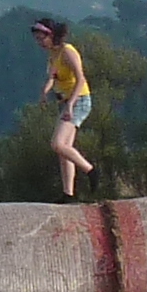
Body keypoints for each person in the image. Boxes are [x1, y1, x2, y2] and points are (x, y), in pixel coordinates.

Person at [31, 18, 97, 200]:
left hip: (79, 100)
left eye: (41, 38)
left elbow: (81, 79)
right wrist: (45, 91)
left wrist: (70, 104)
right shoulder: (53, 54)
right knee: (64, 150)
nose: (39, 43)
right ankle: (68, 194)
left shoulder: (68, 51)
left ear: (51, 35)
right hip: (66, 101)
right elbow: (53, 77)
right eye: (37, 39)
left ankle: (91, 170)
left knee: (57, 144)